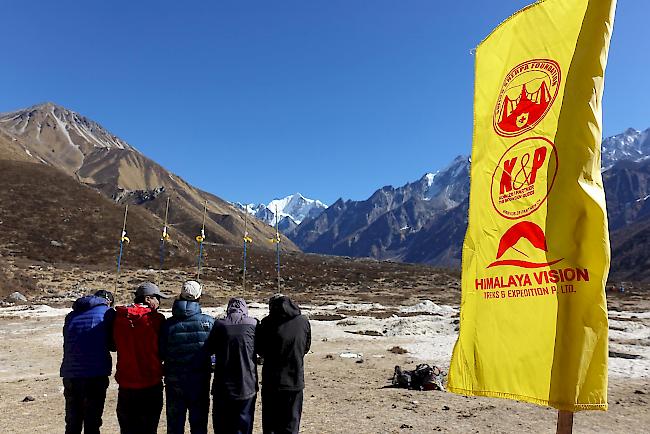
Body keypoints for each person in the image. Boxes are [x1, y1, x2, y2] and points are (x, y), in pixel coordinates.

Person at [112, 282, 168, 434]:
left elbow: (113, 345)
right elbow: (164, 350)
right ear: (148, 299)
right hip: (151, 383)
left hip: (126, 385)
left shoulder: (119, 319)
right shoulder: (157, 320)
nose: (159, 302)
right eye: (157, 298)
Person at [159, 280, 215, 434]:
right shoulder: (209, 323)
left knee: (175, 424)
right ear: (199, 296)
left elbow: (161, 352)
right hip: (199, 380)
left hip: (174, 380)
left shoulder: (167, 325)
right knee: (199, 424)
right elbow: (213, 352)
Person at [60, 289, 115, 434]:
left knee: (73, 422)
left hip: (71, 372)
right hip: (95, 373)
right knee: (92, 421)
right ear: (108, 301)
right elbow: (113, 345)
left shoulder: (71, 315)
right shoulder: (107, 313)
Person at [256, 295, 311, 434]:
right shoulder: (303, 321)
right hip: (295, 379)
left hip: (272, 381)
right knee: (291, 423)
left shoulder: (267, 323)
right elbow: (306, 347)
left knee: (271, 425)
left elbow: (260, 349)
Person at [206, 298, 258, 434]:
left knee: (222, 426)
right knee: (244, 425)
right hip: (246, 383)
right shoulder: (253, 324)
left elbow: (209, 348)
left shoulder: (219, 325)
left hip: (223, 385)